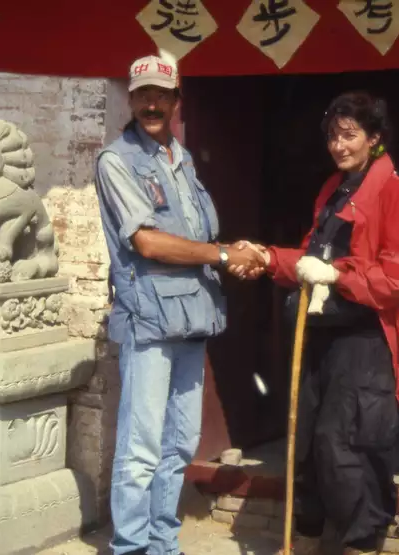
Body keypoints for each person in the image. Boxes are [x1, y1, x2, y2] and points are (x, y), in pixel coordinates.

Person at [240, 91, 399, 555]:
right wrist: (268, 257)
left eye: (349, 135)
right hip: (321, 336)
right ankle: (308, 534)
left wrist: (337, 275)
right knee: (307, 438)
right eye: (333, 135)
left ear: (374, 139)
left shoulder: (391, 192)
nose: (338, 145)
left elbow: (398, 272)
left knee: (346, 442)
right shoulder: (334, 189)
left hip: (365, 340)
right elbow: (313, 256)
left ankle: (362, 542)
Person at [94, 50, 265, 555]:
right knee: (141, 447)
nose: (151, 104)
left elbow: (200, 234)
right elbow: (148, 242)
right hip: (148, 318)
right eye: (143, 94)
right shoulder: (116, 161)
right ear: (131, 97)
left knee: (180, 443)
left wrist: (240, 255)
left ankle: (163, 540)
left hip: (192, 317)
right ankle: (130, 545)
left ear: (175, 101)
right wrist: (222, 253)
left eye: (161, 95)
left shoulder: (181, 159)